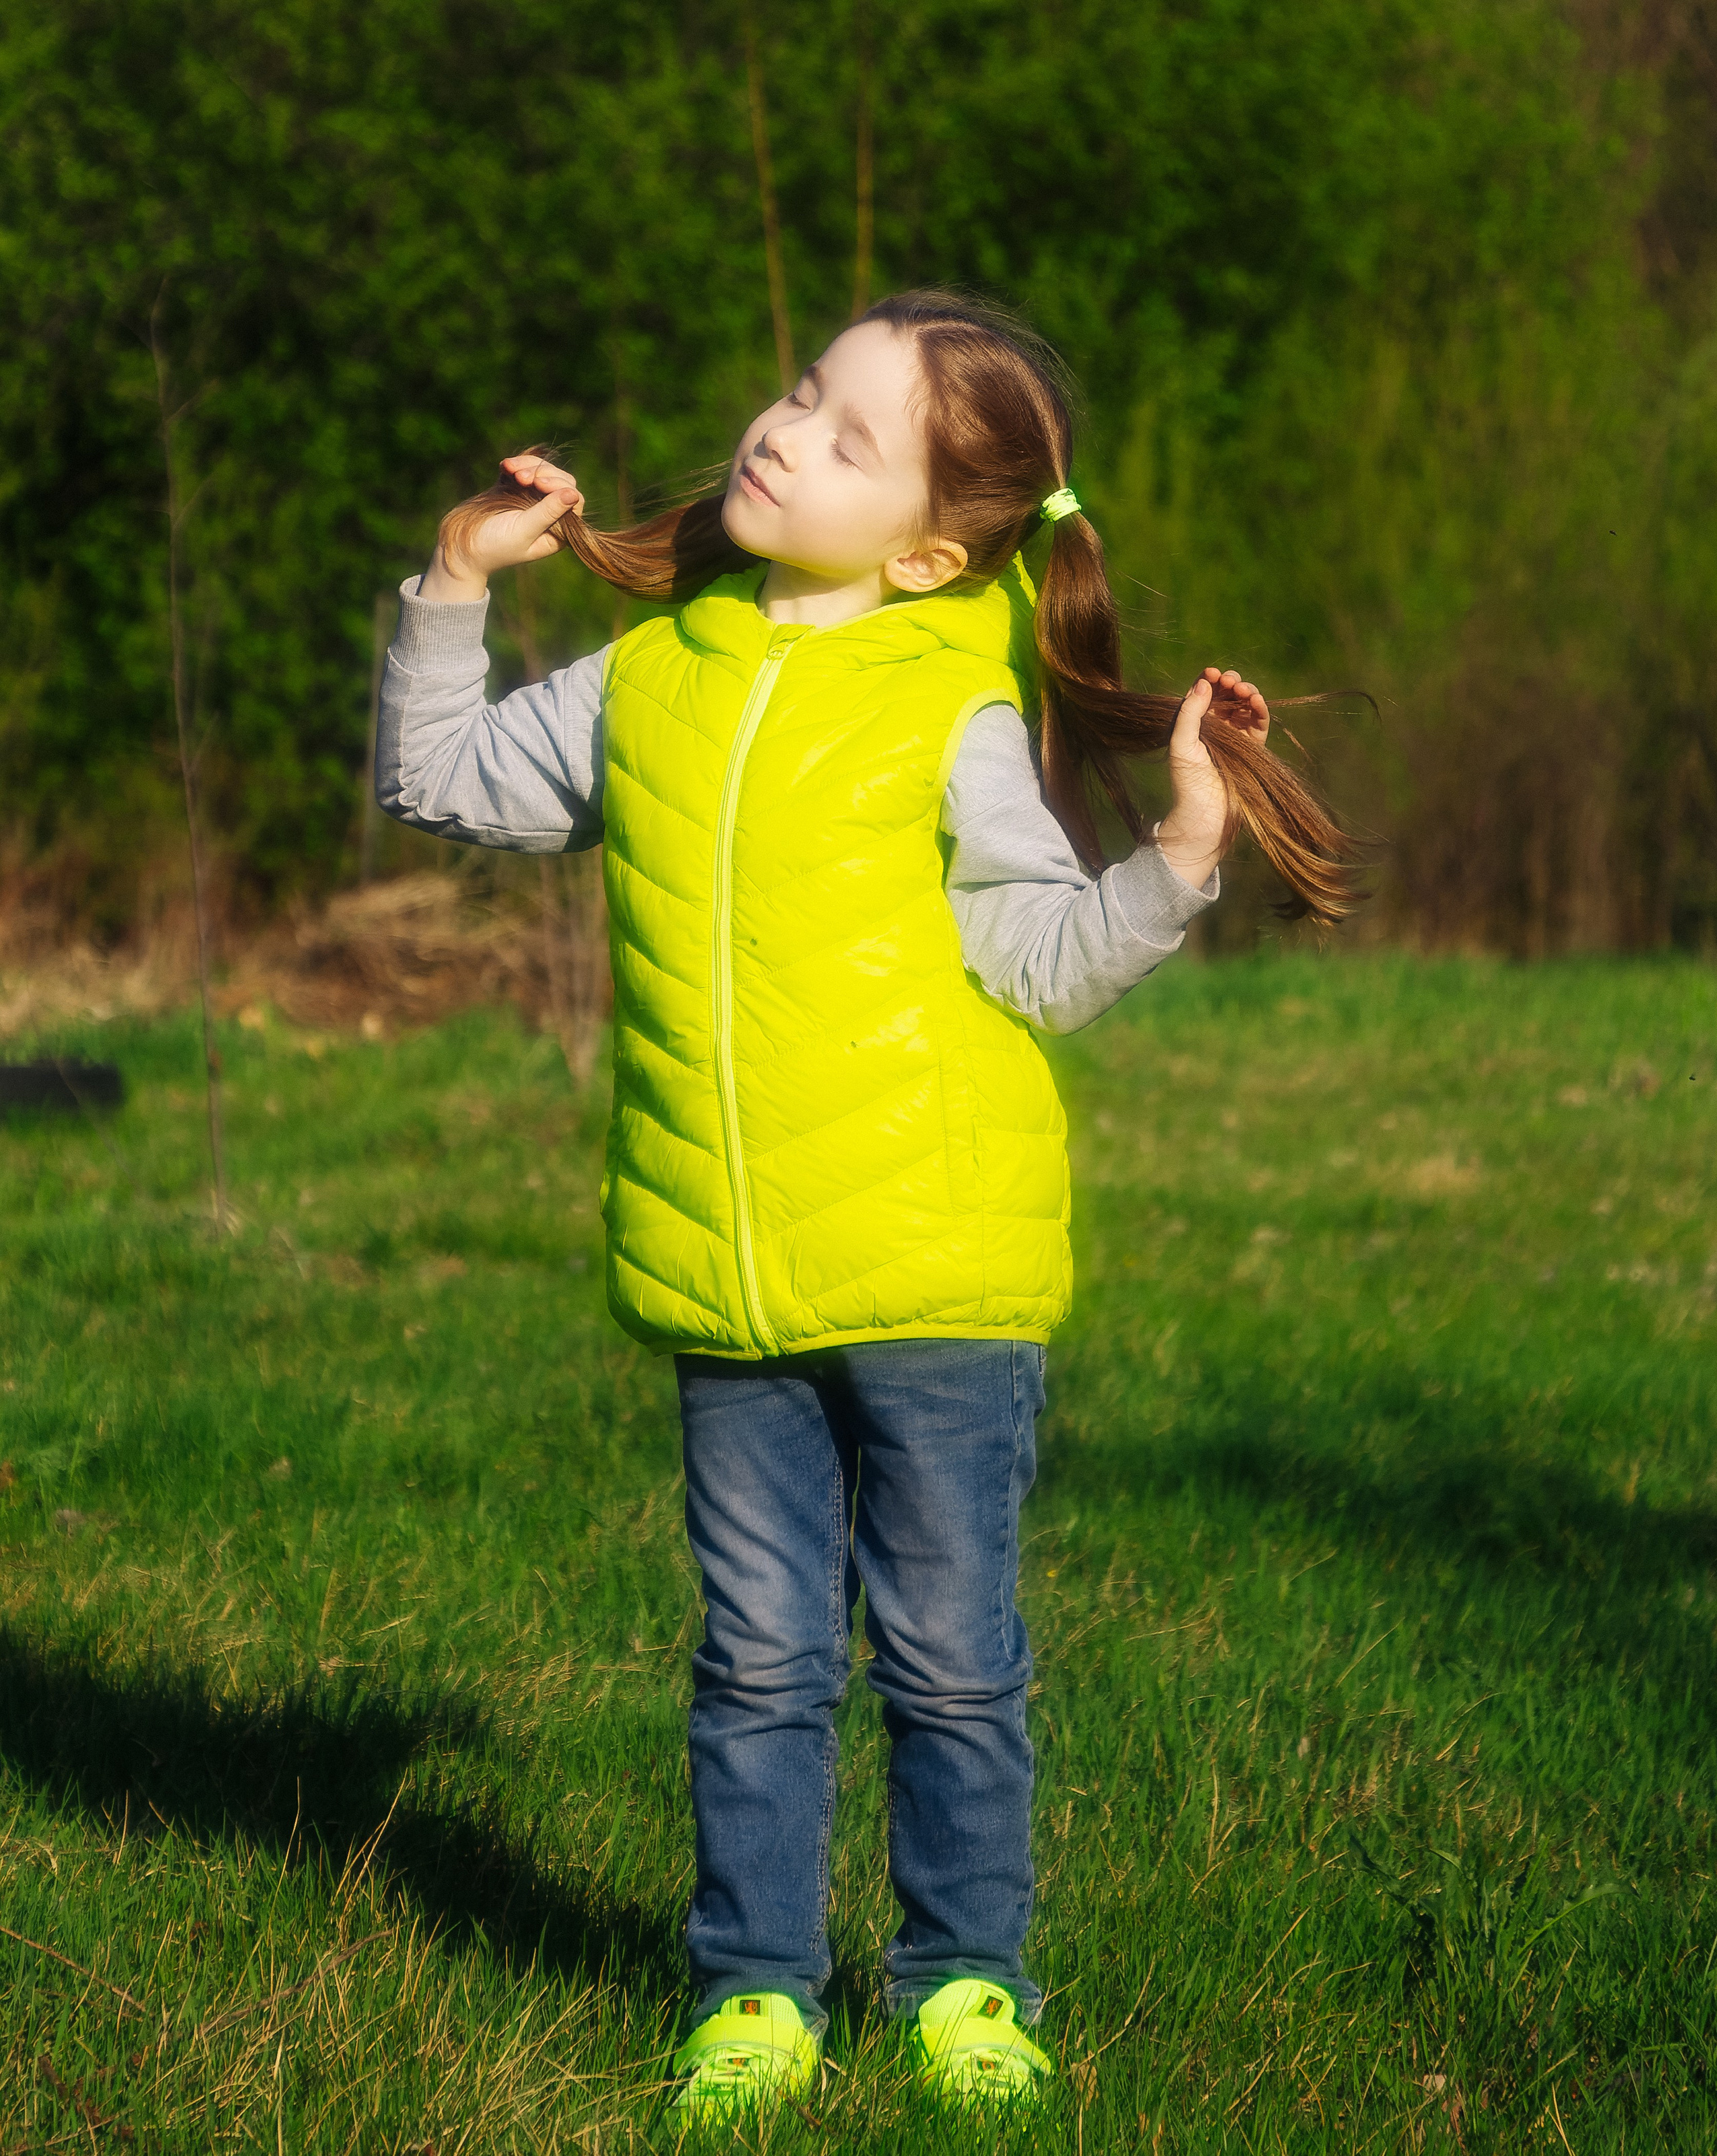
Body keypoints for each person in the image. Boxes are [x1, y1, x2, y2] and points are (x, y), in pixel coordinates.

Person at [376, 290, 1359, 2122]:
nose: (783, 428)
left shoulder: (949, 700)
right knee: (753, 1659)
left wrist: (1183, 854)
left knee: (949, 1661)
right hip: (725, 1275)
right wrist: (455, 583)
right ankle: (754, 2001)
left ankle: (966, 1990)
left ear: (925, 548)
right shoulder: (652, 676)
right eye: (802, 390)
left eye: (847, 433)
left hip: (937, 1272)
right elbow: (433, 783)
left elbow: (1042, 968)